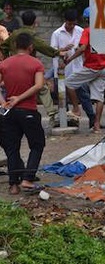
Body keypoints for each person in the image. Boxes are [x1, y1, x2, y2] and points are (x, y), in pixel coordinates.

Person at [0, 10, 69, 125]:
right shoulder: (30, 35)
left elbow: (3, 46)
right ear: (35, 21)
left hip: (12, 66)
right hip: (27, 67)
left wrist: (7, 58)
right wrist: (57, 53)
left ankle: (8, 110)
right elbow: (43, 47)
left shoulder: (15, 34)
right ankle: (52, 114)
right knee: (42, 88)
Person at [0, 33, 47, 195]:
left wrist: (3, 103)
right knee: (37, 144)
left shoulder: (5, 63)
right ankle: (28, 178)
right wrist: (19, 98)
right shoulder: (36, 63)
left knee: (12, 148)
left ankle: (14, 185)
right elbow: (39, 85)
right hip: (28, 110)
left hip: (9, 112)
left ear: (15, 46)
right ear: (31, 47)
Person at [63, 8, 105, 133]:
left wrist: (70, 59)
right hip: (103, 69)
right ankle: (96, 126)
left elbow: (82, 48)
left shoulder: (88, 31)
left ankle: (76, 109)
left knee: (69, 83)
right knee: (99, 98)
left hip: (91, 68)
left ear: (86, 19)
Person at [50, 8, 84, 117]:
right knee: (62, 96)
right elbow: (52, 51)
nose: (71, 26)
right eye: (69, 24)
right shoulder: (57, 33)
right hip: (62, 69)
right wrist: (63, 49)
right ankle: (65, 118)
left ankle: (92, 119)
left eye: (73, 24)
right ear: (65, 21)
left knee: (83, 95)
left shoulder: (80, 31)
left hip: (78, 67)